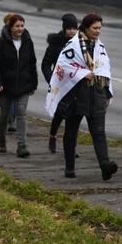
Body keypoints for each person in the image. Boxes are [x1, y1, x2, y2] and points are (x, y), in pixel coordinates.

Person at [46, 13, 117, 180]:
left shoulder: (100, 47)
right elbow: (63, 66)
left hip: (96, 95)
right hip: (75, 97)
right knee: (71, 132)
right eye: (95, 28)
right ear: (85, 28)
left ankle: (105, 166)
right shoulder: (73, 46)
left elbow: (105, 69)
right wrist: (82, 73)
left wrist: (107, 92)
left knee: (99, 132)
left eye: (100, 28)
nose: (98, 31)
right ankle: (69, 168)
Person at [0, 13, 38, 157]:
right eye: (17, 26)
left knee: (21, 113)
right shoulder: (1, 42)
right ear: (10, 27)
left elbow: (32, 63)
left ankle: (21, 145)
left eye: (22, 26)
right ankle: (2, 140)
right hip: (5, 86)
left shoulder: (28, 42)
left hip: (23, 85)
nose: (20, 29)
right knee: (5, 114)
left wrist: (33, 84)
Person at [41, 12, 79, 153]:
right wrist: (51, 79)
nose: (72, 31)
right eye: (69, 28)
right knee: (60, 113)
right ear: (64, 28)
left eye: (74, 28)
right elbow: (45, 64)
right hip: (59, 84)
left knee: (74, 117)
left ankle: (71, 148)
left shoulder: (80, 43)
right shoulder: (56, 43)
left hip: (75, 84)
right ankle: (52, 135)